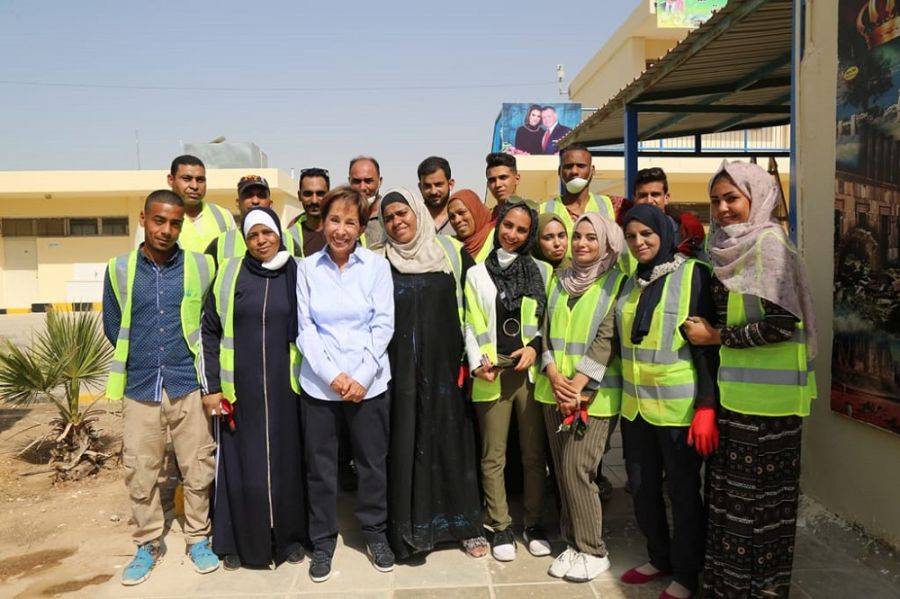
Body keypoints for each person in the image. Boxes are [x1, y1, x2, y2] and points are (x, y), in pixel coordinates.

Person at [682, 161, 818, 599]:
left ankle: (758, 589)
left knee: (760, 508)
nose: (722, 209)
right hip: (737, 397)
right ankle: (726, 585)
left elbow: (782, 324)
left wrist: (715, 336)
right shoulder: (723, 246)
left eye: (732, 199)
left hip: (770, 408)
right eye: (715, 200)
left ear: (756, 198)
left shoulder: (770, 246)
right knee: (730, 500)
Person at [103, 190, 219, 585]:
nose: (166, 230)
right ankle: (148, 542)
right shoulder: (119, 269)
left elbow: (209, 322)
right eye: (159, 220)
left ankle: (198, 537)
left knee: (198, 465)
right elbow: (113, 325)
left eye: (174, 223)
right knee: (141, 468)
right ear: (143, 219)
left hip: (187, 382)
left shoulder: (201, 266)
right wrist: (143, 355)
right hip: (140, 385)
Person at [377, 187, 488, 561]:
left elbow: (475, 311)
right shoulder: (379, 261)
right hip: (400, 375)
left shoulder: (452, 253)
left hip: (446, 373)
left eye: (402, 213)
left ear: (418, 213)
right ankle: (410, 532)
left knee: (452, 444)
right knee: (405, 445)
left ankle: (465, 527)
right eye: (389, 217)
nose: (397, 222)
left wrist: (478, 359)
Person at [615, 204, 718, 599]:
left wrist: (707, 405)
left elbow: (706, 348)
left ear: (664, 232)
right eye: (631, 236)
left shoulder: (694, 274)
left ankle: (687, 573)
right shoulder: (631, 282)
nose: (639, 242)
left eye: (647, 234)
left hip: (678, 409)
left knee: (683, 492)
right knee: (641, 488)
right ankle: (659, 557)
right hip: (636, 407)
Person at [295, 186, 395, 582]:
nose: (341, 229)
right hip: (321, 386)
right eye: (334, 220)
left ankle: (375, 533)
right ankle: (322, 541)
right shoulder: (306, 269)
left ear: (362, 228)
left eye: (350, 222)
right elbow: (306, 329)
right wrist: (333, 376)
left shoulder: (376, 267)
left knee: (372, 464)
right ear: (322, 223)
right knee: (321, 469)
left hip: (369, 385)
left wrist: (361, 377)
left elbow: (383, 324)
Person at [201, 206, 307, 570]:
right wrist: (212, 387)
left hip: (286, 388)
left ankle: (290, 538)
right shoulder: (230, 273)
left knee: (287, 465)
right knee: (241, 467)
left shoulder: (297, 271)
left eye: (267, 233)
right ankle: (238, 542)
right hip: (239, 390)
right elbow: (209, 330)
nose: (261, 241)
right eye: (253, 235)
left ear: (279, 233)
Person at [535, 213, 626, 582]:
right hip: (555, 392)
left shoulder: (617, 282)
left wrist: (578, 386)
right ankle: (573, 543)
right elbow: (545, 332)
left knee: (578, 468)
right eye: (578, 237)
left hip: (594, 397)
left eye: (591, 237)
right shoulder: (560, 279)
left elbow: (608, 339)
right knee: (562, 471)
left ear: (606, 242)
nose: (582, 243)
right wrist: (553, 373)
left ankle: (592, 549)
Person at [464, 201, 552, 562]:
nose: (512, 234)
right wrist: (476, 364)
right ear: (498, 225)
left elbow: (549, 322)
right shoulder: (476, 274)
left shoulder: (542, 271)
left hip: (529, 376)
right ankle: (500, 525)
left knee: (533, 455)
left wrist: (534, 347)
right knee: (493, 456)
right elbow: (470, 323)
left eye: (521, 229)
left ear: (529, 234)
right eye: (508, 226)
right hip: (492, 373)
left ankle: (534, 523)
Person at [205, 174, 302, 266]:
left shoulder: (289, 242)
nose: (255, 201)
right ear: (238, 203)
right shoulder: (220, 244)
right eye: (248, 195)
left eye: (261, 195)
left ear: (270, 203)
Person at [540, 145, 616, 258]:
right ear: (560, 171)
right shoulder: (543, 209)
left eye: (581, 166)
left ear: (592, 170)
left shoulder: (613, 205)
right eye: (568, 166)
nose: (574, 171)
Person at [633, 167, 706, 259]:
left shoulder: (687, 234)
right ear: (634, 199)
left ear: (666, 198)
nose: (649, 201)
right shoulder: (623, 236)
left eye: (655, 194)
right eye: (642, 195)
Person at [168, 155, 236, 251]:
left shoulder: (223, 216)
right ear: (171, 180)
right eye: (186, 179)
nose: (194, 186)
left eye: (200, 180)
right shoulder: (158, 216)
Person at [286, 167, 330, 257]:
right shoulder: (290, 236)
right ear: (299, 196)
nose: (314, 200)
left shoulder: (341, 230)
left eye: (320, 194)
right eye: (308, 194)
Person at [447, 188, 495, 263]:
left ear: (475, 210)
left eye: (461, 212)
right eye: (452, 216)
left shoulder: (497, 238)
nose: (457, 220)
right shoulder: (451, 245)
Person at [349, 155, 385, 248]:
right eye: (357, 181)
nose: (362, 188)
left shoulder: (390, 215)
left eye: (368, 181)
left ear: (380, 181)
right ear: (349, 182)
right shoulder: (343, 216)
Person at [417, 156, 456, 235]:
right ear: (420, 187)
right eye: (427, 186)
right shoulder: (413, 220)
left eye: (438, 185)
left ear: (450, 184)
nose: (433, 191)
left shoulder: (462, 218)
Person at [485, 152, 521, 221]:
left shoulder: (532, 216)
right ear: (488, 185)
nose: (498, 184)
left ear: (517, 179)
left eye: (503, 177)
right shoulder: (485, 219)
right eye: (492, 180)